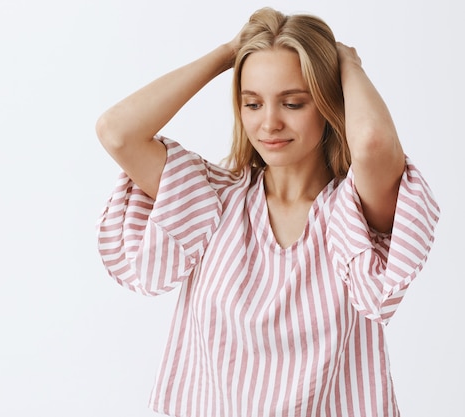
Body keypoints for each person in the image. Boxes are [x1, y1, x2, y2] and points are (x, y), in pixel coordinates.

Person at [95, 7, 440, 417]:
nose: (269, 123)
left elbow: (372, 145)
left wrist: (346, 63)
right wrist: (228, 54)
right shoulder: (211, 201)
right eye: (252, 103)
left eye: (293, 103)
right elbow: (117, 132)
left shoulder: (354, 214)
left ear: (329, 105)